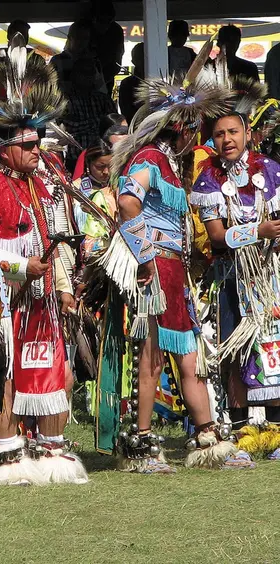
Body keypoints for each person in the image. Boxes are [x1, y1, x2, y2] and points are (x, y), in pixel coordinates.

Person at [100, 39, 247, 472]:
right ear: (182, 129)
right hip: (153, 268)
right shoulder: (148, 157)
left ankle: (207, 437)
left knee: (188, 355)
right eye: (195, 130)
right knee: (149, 355)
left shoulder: (167, 162)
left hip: (172, 270)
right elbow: (127, 203)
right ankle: (142, 442)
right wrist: (145, 257)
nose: (197, 139)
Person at [0, 38, 89, 486]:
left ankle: (52, 448)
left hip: (43, 299)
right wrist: (23, 269)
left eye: (38, 142)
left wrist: (62, 285)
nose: (36, 151)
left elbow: (55, 241)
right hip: (6, 301)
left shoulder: (42, 184)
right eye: (27, 145)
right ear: (5, 149)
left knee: (52, 366)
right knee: (6, 370)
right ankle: (6, 454)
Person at [191, 84, 280, 445]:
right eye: (219, 134)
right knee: (235, 349)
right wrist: (258, 231)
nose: (226, 140)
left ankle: (275, 429)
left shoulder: (271, 171)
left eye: (232, 132)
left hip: (269, 275)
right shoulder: (209, 178)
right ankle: (242, 429)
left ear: (247, 133)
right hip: (231, 277)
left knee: (273, 344)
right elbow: (216, 237)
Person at [58, 57, 116, 171]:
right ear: (74, 75)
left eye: (91, 73)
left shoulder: (103, 99)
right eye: (83, 72)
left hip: (102, 158)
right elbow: (68, 127)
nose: (88, 77)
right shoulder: (65, 100)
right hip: (75, 158)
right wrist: (98, 122)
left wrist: (82, 124)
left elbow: (113, 126)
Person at [51, 20, 106, 95]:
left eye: (85, 38)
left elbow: (101, 89)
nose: (82, 42)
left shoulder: (94, 62)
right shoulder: (57, 61)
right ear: (69, 38)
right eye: (78, 37)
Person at [72, 113, 127, 179]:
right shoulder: (91, 152)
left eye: (127, 132)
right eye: (121, 133)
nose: (126, 136)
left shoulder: (130, 155)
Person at [89, 0, 125, 96]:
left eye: (109, 21)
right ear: (93, 19)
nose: (105, 25)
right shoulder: (85, 28)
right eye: (101, 21)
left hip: (106, 78)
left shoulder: (115, 31)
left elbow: (117, 63)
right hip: (82, 78)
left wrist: (101, 82)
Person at [118, 42, 144, 124]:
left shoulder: (163, 80)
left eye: (145, 57)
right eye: (140, 58)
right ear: (133, 61)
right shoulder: (127, 84)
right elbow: (127, 113)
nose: (143, 61)